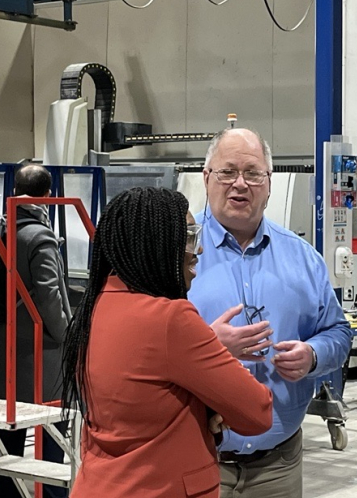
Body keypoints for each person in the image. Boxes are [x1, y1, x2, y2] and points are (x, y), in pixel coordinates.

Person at [61, 187, 273, 498]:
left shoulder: (96, 307)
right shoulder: (170, 319)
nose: (198, 250)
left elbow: (144, 402)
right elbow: (257, 412)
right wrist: (215, 362)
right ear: (156, 244)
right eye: (188, 236)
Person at [188, 128, 352, 497]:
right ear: (206, 178)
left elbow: (339, 332)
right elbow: (146, 347)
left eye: (253, 173)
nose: (240, 184)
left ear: (269, 182)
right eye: (227, 172)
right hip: (197, 456)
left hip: (279, 465)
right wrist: (208, 347)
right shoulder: (175, 254)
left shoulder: (303, 257)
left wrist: (313, 355)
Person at [0, 163, 71, 498]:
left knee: (8, 442)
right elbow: (51, 297)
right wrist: (68, 337)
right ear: (48, 195)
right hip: (40, 361)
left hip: (1, 352)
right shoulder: (39, 236)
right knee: (52, 442)